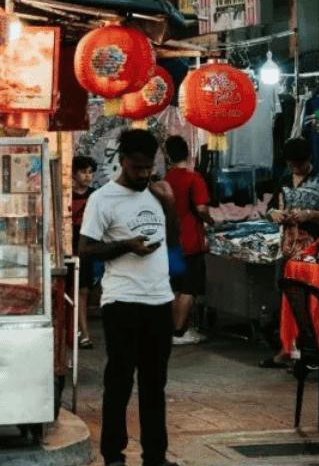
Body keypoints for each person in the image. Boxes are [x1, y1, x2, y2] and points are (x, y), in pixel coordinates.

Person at [79, 128, 179, 466]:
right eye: (136, 168)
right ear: (122, 162)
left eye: (148, 167)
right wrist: (127, 245)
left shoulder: (156, 192)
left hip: (159, 300)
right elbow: (85, 249)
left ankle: (156, 455)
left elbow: (174, 240)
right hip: (122, 302)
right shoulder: (102, 199)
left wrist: (169, 204)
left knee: (155, 385)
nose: (143, 174)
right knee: (119, 381)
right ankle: (113, 455)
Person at [260, 136, 319, 368]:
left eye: (299, 164)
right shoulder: (283, 181)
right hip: (288, 250)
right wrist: (274, 215)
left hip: (313, 254)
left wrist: (310, 216)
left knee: (312, 302)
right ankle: (287, 348)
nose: (296, 168)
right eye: (293, 164)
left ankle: (312, 351)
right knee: (288, 302)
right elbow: (269, 208)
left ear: (308, 159)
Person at [164, 134, 212, 346]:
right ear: (189, 152)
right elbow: (201, 208)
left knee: (176, 285)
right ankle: (179, 331)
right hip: (191, 239)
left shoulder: (166, 178)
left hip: (171, 240)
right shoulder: (194, 179)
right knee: (190, 287)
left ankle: (172, 328)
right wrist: (211, 220)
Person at [71, 154, 98, 349]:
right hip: (67, 244)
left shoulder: (95, 195)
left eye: (90, 172)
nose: (88, 176)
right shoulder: (65, 194)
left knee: (83, 291)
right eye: (83, 172)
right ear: (73, 173)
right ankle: (75, 331)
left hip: (87, 246)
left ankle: (84, 333)